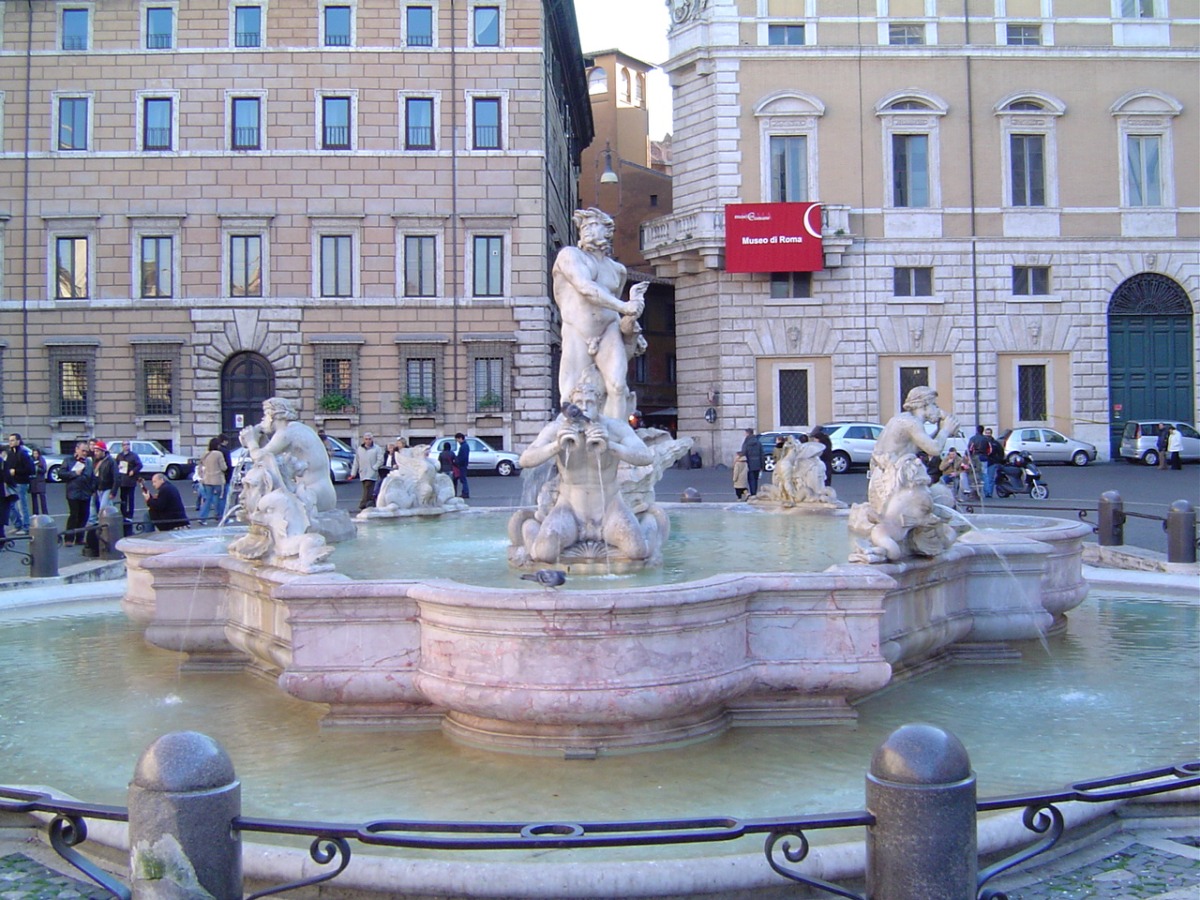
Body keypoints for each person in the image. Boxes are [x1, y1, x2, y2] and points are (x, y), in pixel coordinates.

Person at [552, 207, 648, 420]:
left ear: (607, 232)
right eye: (584, 226)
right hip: (577, 330)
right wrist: (625, 307)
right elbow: (585, 288)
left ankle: (616, 438)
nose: (587, 230)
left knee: (617, 386)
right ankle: (574, 441)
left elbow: (612, 305)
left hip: (608, 330)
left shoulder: (618, 270)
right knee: (570, 394)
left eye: (593, 225)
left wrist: (632, 328)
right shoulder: (569, 256)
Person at [62, 442, 94, 545]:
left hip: (85, 493)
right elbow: (61, 474)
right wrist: (74, 473)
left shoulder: (89, 462)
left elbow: (92, 477)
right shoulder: (68, 460)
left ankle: (79, 538)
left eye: (86, 451)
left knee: (84, 515)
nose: (85, 453)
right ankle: (69, 539)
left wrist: (92, 489)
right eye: (83, 450)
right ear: (77, 450)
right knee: (74, 516)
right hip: (73, 492)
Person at [4, 433, 34, 533]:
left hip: (22, 482)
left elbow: (30, 469)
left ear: (18, 441)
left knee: (22, 505)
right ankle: (17, 525)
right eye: (10, 440)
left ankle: (26, 527)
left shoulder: (23, 453)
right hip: (12, 483)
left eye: (12, 440)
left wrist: (16, 471)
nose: (10, 442)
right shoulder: (10, 453)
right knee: (11, 505)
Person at [197, 437, 229, 523]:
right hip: (218, 480)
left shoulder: (205, 454)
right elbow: (224, 467)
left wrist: (202, 475)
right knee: (220, 499)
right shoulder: (218, 454)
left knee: (208, 499)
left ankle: (202, 517)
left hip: (207, 480)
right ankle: (221, 517)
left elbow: (200, 466)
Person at [350, 433, 384, 510]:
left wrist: (374, 467)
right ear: (364, 440)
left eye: (369, 439)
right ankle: (371, 502)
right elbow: (356, 461)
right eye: (366, 439)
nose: (368, 441)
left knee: (368, 487)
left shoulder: (377, 448)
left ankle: (363, 504)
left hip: (372, 472)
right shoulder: (360, 449)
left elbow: (380, 460)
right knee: (367, 489)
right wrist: (353, 473)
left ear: (372, 439)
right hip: (363, 472)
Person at [114, 440, 144, 526]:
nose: (126, 446)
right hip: (122, 480)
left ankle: (130, 515)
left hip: (130, 480)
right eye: (124, 445)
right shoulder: (119, 456)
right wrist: (118, 467)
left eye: (127, 444)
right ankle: (123, 514)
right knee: (123, 498)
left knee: (130, 498)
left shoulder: (134, 456)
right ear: (122, 446)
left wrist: (133, 471)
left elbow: (139, 465)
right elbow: (116, 465)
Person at [90, 441, 115, 522]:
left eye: (97, 451)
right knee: (104, 506)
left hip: (107, 488)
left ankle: (104, 523)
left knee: (103, 507)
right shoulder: (95, 461)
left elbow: (116, 477)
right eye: (94, 451)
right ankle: (98, 521)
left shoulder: (111, 461)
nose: (95, 453)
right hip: (98, 488)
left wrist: (113, 492)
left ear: (103, 451)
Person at [740, 428, 764, 496]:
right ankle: (754, 492)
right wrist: (762, 465)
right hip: (757, 463)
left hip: (749, 463)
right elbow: (762, 454)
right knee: (755, 479)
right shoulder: (758, 442)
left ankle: (752, 493)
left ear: (747, 433)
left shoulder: (746, 443)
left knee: (751, 479)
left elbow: (744, 453)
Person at [29, 448, 49, 517]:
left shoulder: (42, 459)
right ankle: (35, 513)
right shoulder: (31, 460)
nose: (35, 455)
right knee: (34, 497)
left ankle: (45, 513)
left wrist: (38, 468)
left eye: (36, 454)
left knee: (42, 497)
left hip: (40, 480)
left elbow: (44, 470)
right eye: (34, 454)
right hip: (33, 480)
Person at [453, 433, 471, 500]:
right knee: (463, 479)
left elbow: (463, 457)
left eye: (457, 440)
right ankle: (465, 492)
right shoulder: (464, 446)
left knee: (463, 480)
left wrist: (458, 462)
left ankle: (465, 493)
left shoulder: (464, 446)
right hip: (463, 465)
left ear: (460, 438)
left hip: (462, 465)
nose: (457, 441)